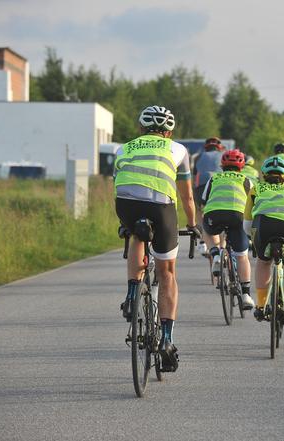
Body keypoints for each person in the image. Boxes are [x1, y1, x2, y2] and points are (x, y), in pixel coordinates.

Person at [115, 105, 199, 372]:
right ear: (169, 132)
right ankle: (166, 339)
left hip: (126, 204)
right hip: (161, 208)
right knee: (167, 273)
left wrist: (124, 223)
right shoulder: (179, 150)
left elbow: (119, 185)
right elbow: (186, 197)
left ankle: (131, 294)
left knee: (136, 234)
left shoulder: (123, 148)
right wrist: (192, 224)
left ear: (140, 129)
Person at [244, 156, 284, 329]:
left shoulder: (256, 189)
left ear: (264, 174)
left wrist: (252, 238)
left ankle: (260, 305)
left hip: (264, 227)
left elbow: (246, 224)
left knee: (263, 262)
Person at [200, 149, 255, 310]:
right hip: (238, 215)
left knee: (207, 230)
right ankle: (245, 295)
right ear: (242, 166)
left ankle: (216, 254)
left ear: (222, 165)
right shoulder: (247, 180)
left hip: (214, 214)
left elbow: (203, 202)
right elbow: (254, 203)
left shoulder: (214, 178)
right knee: (242, 256)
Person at [193, 137, 224, 255]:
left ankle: (202, 239)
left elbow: (194, 175)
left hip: (201, 183)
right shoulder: (223, 155)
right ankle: (222, 245)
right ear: (219, 147)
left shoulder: (198, 157)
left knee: (200, 209)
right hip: (218, 183)